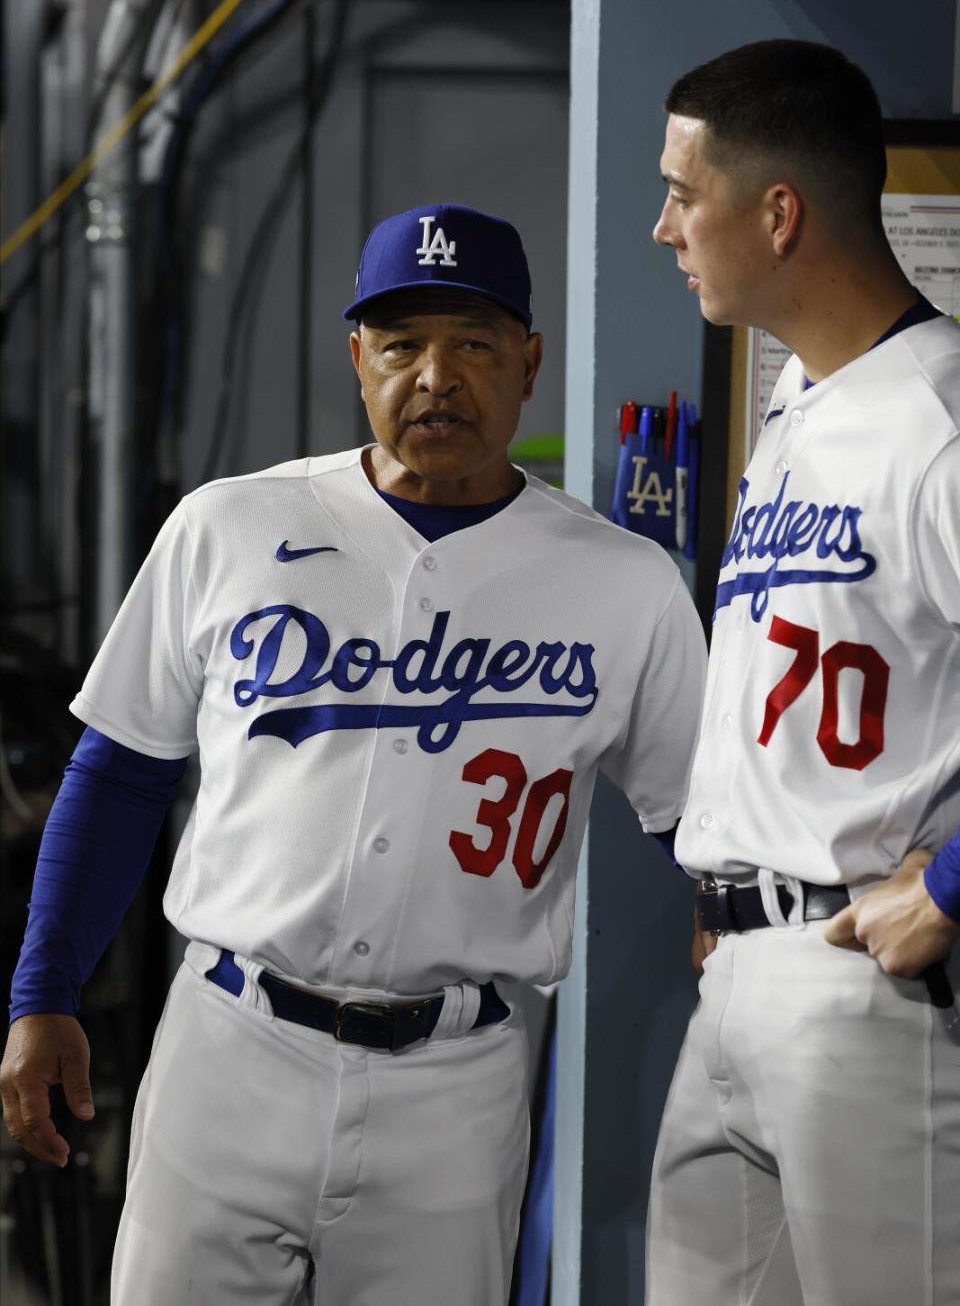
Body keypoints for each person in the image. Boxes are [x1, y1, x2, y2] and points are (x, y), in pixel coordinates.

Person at [1, 202, 707, 1305]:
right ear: (357, 360)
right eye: (402, 345)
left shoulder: (624, 583)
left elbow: (702, 831)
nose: (436, 376)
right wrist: (42, 988)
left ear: (528, 363)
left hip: (459, 1082)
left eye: (473, 343)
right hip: (230, 1048)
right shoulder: (228, 525)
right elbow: (121, 770)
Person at [646, 39, 960, 1305]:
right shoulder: (798, 402)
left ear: (778, 213)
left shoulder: (938, 412)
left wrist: (951, 882)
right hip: (741, 973)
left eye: (683, 190)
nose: (664, 225)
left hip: (868, 980)